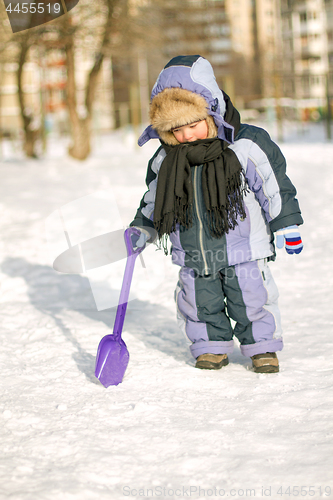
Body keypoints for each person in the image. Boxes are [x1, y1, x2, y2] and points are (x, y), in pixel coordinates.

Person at [129, 55, 303, 373]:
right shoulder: (166, 159)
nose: (186, 136)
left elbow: (274, 185)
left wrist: (286, 223)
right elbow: (154, 198)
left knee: (251, 299)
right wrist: (143, 228)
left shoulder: (245, 144)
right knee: (199, 303)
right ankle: (210, 346)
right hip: (193, 252)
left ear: (213, 111)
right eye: (175, 129)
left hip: (244, 248)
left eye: (193, 124)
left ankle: (262, 347)